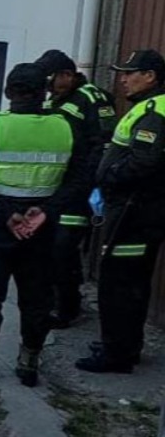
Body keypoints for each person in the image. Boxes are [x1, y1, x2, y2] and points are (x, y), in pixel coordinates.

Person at [0, 63, 87, 388]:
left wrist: (5, 213)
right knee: (37, 299)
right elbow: (78, 178)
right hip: (42, 229)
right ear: (45, 93)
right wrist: (47, 211)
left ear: (9, 93)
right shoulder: (65, 128)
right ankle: (28, 364)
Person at [75, 49, 165, 374]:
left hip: (134, 212)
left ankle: (117, 354)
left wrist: (108, 178)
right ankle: (123, 344)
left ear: (150, 76)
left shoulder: (154, 111)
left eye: (130, 72)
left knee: (119, 283)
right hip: (134, 210)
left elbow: (144, 161)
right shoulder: (146, 107)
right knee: (129, 282)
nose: (123, 79)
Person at [33, 50, 117, 329]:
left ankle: (68, 307)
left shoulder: (92, 98)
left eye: (51, 78)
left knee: (64, 248)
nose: (47, 84)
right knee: (50, 248)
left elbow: (104, 144)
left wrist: (89, 182)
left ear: (67, 75)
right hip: (56, 187)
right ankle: (53, 300)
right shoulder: (54, 100)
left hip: (81, 188)